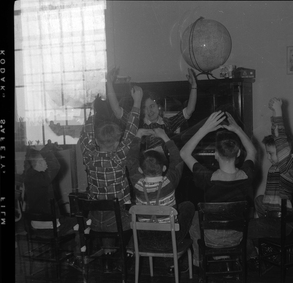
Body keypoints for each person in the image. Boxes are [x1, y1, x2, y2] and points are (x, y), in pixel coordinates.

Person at [180, 111, 256, 267]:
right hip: (237, 237)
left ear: (215, 154)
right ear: (239, 153)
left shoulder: (208, 178)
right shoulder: (247, 175)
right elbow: (254, 151)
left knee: (194, 216)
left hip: (211, 239)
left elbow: (184, 153)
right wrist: (236, 129)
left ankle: (198, 260)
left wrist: (205, 128)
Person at [79, 84, 143, 258]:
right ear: (116, 143)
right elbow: (131, 130)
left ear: (97, 141)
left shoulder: (88, 157)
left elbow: (85, 135)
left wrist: (93, 110)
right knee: (140, 217)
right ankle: (130, 249)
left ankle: (107, 252)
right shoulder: (118, 157)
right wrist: (137, 102)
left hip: (94, 221)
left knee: (106, 210)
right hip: (117, 222)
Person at [126, 127, 195, 273]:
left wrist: (138, 135)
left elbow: (130, 160)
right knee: (187, 206)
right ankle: (173, 258)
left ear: (140, 170)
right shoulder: (169, 182)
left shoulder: (137, 183)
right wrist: (165, 137)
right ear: (164, 168)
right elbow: (177, 158)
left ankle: (132, 248)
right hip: (169, 240)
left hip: (145, 239)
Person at [106, 66, 198, 152]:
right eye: (145, 108)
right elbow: (117, 111)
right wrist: (109, 83)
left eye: (152, 106)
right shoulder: (137, 124)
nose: (149, 111)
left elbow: (189, 111)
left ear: (158, 106)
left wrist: (194, 86)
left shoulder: (167, 123)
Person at [22, 145, 80, 259]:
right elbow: (55, 166)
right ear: (38, 163)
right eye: (45, 161)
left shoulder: (28, 176)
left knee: (69, 221)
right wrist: (46, 151)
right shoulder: (44, 179)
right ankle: (79, 254)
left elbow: (29, 163)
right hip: (50, 226)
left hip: (33, 225)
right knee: (83, 222)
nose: (47, 164)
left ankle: (68, 251)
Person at [254, 97, 293, 219]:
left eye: (271, 153)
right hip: (270, 214)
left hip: (283, 219)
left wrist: (278, 112)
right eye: (268, 153)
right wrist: (274, 114)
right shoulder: (275, 167)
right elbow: (276, 135)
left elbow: (281, 141)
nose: (268, 157)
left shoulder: (290, 167)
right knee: (259, 199)